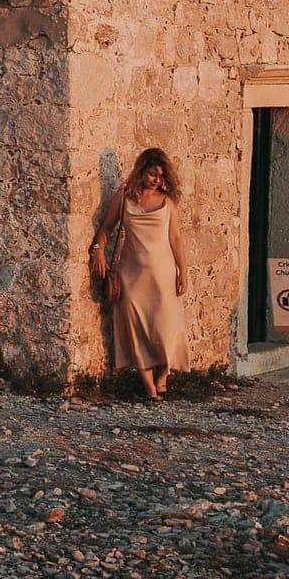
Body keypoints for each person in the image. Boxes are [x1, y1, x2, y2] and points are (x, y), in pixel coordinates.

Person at [89, 148, 190, 400]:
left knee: (167, 325)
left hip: (163, 274)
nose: (156, 179)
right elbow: (106, 228)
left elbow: (176, 238)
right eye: (152, 173)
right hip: (130, 275)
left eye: (161, 175)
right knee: (134, 328)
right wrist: (98, 249)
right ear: (141, 170)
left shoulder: (167, 202)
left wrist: (183, 272)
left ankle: (163, 374)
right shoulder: (124, 196)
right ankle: (148, 387)